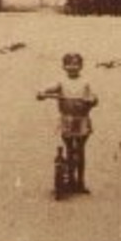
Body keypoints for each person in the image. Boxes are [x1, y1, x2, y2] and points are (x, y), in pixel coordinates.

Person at [37, 52, 99, 194]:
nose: (72, 67)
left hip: (82, 119)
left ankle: (80, 182)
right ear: (64, 66)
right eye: (69, 64)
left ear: (81, 66)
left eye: (76, 64)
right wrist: (42, 92)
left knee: (81, 150)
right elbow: (49, 88)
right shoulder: (61, 82)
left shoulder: (85, 83)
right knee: (69, 148)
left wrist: (92, 100)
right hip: (67, 119)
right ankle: (70, 179)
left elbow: (93, 97)